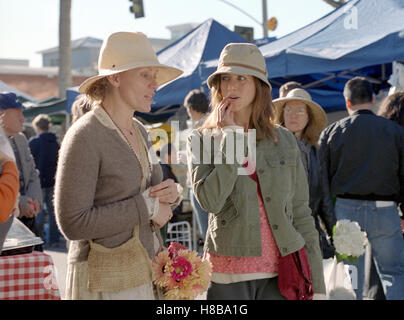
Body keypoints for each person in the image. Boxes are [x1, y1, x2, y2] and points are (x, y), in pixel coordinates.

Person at [187, 43, 325, 300]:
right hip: (227, 275)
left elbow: (301, 213)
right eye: (225, 79)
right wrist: (232, 137)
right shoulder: (202, 139)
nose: (231, 86)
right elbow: (210, 202)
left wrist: (318, 286)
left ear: (259, 86)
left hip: (281, 274)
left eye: (241, 78)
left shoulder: (283, 139)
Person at [54, 31, 183, 300]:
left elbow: (150, 191)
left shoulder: (140, 129)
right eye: (145, 75)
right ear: (115, 78)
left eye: (154, 76)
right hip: (103, 281)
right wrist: (148, 207)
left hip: (146, 272)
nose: (155, 84)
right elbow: (73, 223)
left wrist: (170, 194)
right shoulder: (84, 135)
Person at [319, 77, 404, 300]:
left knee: (351, 275)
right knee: (393, 273)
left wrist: (329, 224)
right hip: (386, 208)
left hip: (346, 211)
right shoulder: (394, 132)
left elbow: (322, 184)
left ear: (347, 102)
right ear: (373, 98)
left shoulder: (332, 132)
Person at [273, 88, 335, 258]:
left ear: (309, 117)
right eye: (289, 110)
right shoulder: (271, 146)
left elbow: (324, 196)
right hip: (278, 231)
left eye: (300, 110)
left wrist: (334, 235)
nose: (294, 115)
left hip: (308, 228)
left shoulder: (315, 151)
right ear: (282, 115)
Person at [0, 92, 42, 246]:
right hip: (7, 221)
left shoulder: (21, 139)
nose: (23, 119)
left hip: (28, 218)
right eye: (18, 114)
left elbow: (32, 174)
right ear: (2, 114)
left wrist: (34, 200)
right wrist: (22, 203)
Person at [29, 114, 61, 247]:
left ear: (37, 126)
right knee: (54, 212)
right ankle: (54, 239)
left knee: (39, 211)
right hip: (54, 181)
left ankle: (39, 239)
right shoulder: (56, 143)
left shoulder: (34, 142)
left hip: (39, 181)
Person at [183, 89, 210, 244]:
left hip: (201, 185)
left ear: (191, 109)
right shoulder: (214, 124)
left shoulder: (200, 128)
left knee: (206, 232)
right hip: (210, 185)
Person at [156, 142, 183, 243]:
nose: (177, 155)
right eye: (175, 153)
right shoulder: (163, 170)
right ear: (168, 156)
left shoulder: (163, 168)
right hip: (168, 218)